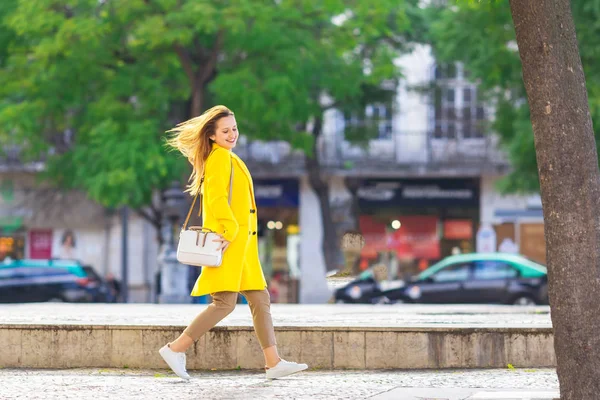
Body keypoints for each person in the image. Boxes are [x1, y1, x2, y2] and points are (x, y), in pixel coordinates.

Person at [160, 105, 308, 380]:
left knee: (260, 299)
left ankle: (273, 363)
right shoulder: (219, 159)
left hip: (242, 247)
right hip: (228, 243)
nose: (232, 134)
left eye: (234, 129)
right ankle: (175, 349)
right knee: (224, 303)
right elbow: (215, 199)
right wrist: (228, 231)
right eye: (225, 131)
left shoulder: (227, 156)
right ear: (213, 136)